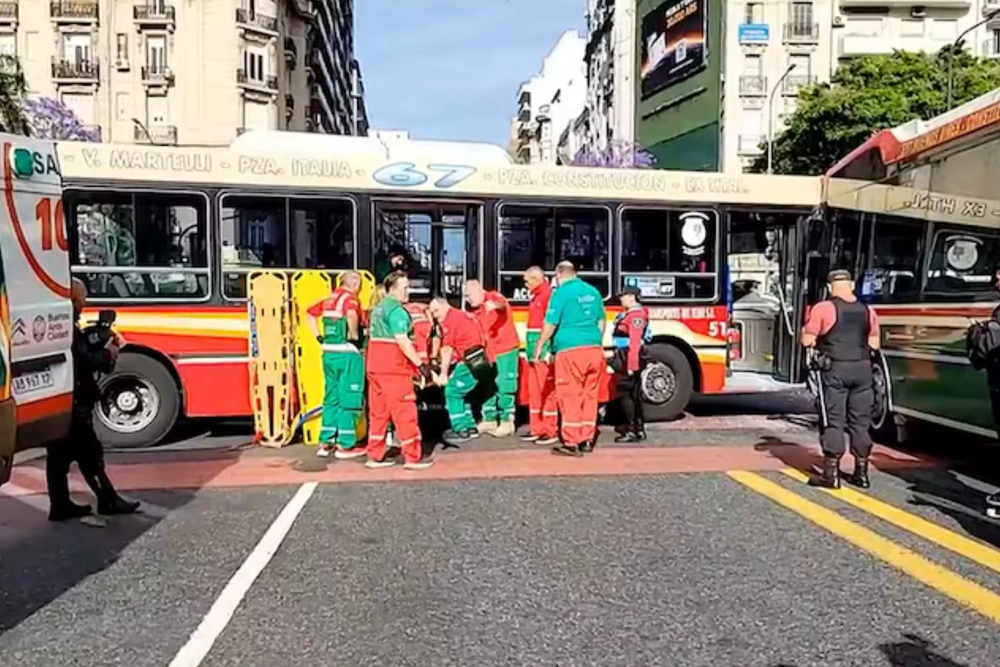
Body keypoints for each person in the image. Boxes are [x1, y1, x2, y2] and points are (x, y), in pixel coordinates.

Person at [47, 279, 140, 521]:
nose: (84, 304)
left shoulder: (55, 321)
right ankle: (107, 500)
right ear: (74, 299)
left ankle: (60, 504)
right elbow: (86, 359)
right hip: (76, 402)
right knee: (90, 454)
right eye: (82, 299)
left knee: (58, 456)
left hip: (60, 397)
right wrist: (109, 351)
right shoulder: (67, 324)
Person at [801, 269, 880, 489]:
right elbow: (874, 344)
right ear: (852, 285)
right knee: (860, 422)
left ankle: (831, 474)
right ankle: (861, 473)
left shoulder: (824, 308)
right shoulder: (868, 310)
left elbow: (807, 340)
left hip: (835, 369)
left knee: (833, 419)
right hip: (863, 370)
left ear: (829, 287)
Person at [533, 261, 606, 456]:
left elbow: (550, 323)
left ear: (558, 275)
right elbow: (601, 322)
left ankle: (571, 442)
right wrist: (594, 342)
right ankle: (587, 439)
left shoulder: (560, 293)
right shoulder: (594, 292)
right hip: (594, 350)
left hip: (570, 351)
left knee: (570, 396)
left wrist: (540, 346)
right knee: (590, 396)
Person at [364, 272, 434, 470]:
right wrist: (420, 365)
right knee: (405, 412)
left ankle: (374, 455)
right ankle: (412, 457)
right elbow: (403, 340)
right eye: (404, 288)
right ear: (393, 290)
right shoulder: (397, 311)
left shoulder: (378, 309)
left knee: (379, 413)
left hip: (375, 366)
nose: (408, 292)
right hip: (394, 368)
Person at [306, 271, 365, 459]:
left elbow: (309, 314)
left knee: (331, 397)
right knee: (349, 396)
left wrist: (318, 336)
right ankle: (345, 445)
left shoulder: (329, 299)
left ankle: (325, 442)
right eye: (359, 282)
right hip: (347, 353)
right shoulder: (350, 299)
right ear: (354, 282)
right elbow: (351, 315)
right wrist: (354, 336)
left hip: (328, 352)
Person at [428, 296, 488, 445]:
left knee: (452, 391)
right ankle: (469, 426)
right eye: (432, 312)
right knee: (464, 393)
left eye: (436, 311)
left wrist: (443, 374)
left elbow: (447, 349)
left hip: (470, 360)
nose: (435, 316)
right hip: (479, 358)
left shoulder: (450, 320)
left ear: (444, 306)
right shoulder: (460, 315)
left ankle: (460, 428)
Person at [465, 279, 520, 437]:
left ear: (478, 290)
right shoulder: (475, 310)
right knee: (487, 384)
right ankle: (489, 419)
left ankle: (507, 421)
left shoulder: (492, 296)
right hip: (489, 352)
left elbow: (502, 303)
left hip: (505, 348)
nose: (467, 300)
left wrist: (494, 305)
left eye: (469, 295)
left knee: (505, 383)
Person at [522, 266, 558, 446]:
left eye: (527, 281)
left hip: (541, 350)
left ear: (537, 279)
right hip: (532, 350)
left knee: (547, 389)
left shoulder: (547, 296)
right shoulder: (537, 296)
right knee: (535, 391)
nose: (525, 285)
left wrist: (547, 350)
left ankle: (550, 429)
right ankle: (537, 427)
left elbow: (551, 325)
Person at [610, 286, 650, 442]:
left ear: (632, 297)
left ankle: (633, 429)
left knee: (627, 394)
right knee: (631, 394)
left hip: (629, 355)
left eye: (623, 296)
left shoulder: (636, 315)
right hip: (625, 354)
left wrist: (632, 366)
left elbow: (635, 342)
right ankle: (636, 428)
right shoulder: (630, 314)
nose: (621, 299)